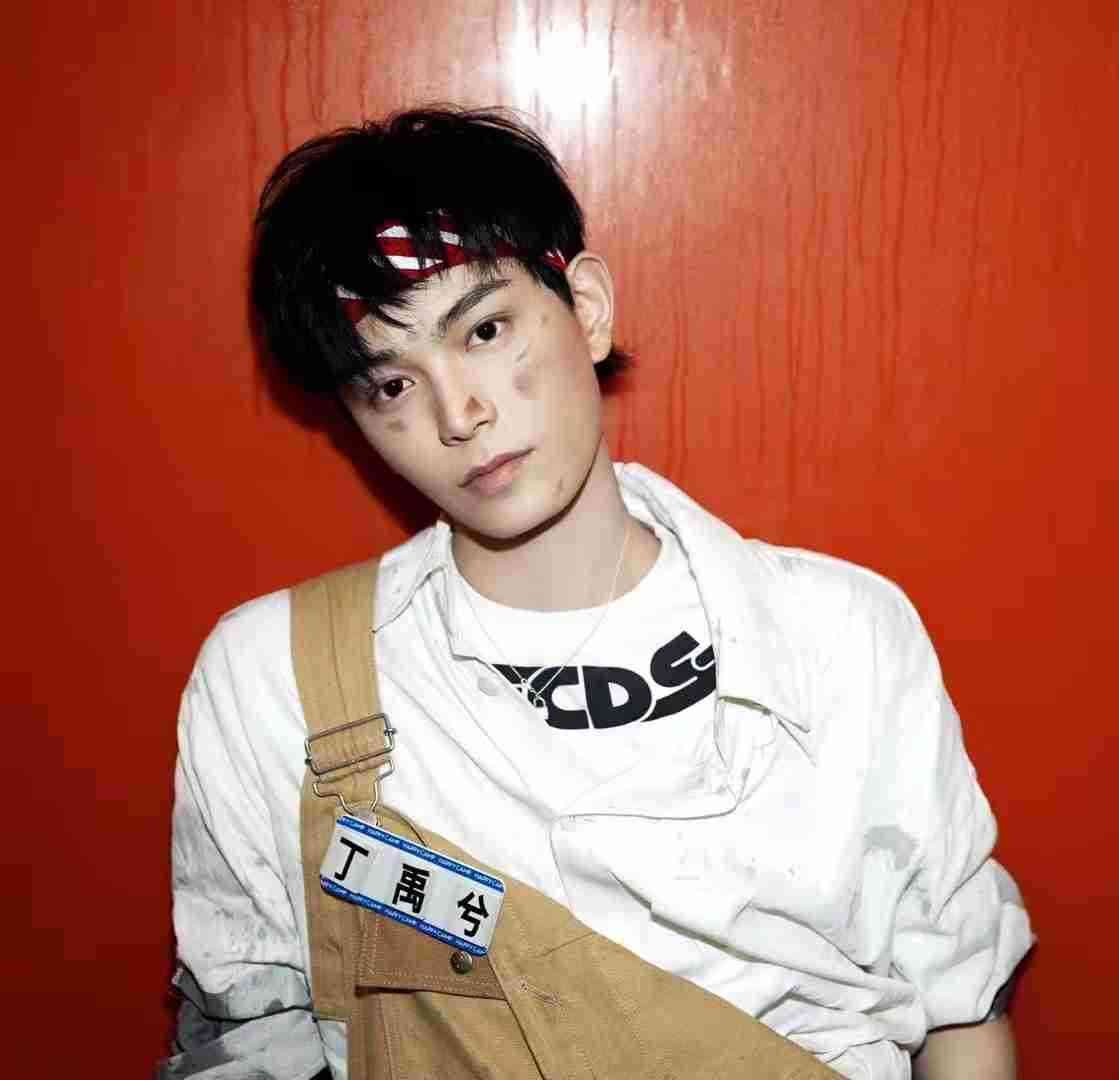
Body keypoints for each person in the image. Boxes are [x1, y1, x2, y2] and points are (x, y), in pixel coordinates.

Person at [162, 106, 1033, 1080]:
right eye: (392, 386)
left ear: (587, 307)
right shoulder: (275, 680)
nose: (460, 414)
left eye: (486, 330)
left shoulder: (842, 635)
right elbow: (247, 1040)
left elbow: (959, 1010)